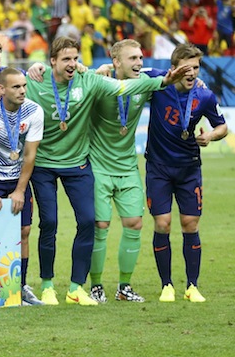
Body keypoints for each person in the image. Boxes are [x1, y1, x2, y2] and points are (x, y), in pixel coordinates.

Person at [25, 36, 187, 306]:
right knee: (59, 223)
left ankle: (95, 287)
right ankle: (59, 285)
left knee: (105, 222)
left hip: (98, 164)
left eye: (75, 58)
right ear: (52, 60)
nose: (72, 63)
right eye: (65, 58)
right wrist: (33, 67)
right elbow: (10, 83)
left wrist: (177, 79)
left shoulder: (92, 80)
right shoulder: (48, 81)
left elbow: (131, 85)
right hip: (62, 163)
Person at [146, 44, 227, 303]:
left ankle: (192, 285)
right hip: (158, 166)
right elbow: (127, 70)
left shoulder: (204, 96)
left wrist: (211, 136)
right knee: (162, 223)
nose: (192, 72)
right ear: (174, 68)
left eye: (196, 67)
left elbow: (222, 126)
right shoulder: (158, 81)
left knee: (190, 224)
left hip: (189, 167)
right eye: (187, 67)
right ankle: (166, 284)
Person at [88, 40, 157, 303]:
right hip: (99, 166)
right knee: (100, 226)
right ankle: (96, 286)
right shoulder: (99, 83)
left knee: (134, 223)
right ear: (116, 62)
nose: (138, 63)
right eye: (132, 58)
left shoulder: (144, 82)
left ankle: (124, 287)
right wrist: (98, 71)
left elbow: (168, 79)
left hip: (128, 166)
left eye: (140, 57)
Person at [0, 67, 44, 306]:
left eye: (24, 86)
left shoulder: (34, 111)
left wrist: (20, 190)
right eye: (16, 87)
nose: (22, 91)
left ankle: (21, 287)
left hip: (17, 179)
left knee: (24, 232)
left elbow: (30, 155)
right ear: (1, 89)